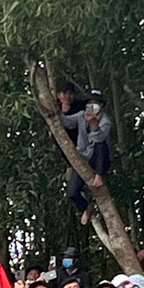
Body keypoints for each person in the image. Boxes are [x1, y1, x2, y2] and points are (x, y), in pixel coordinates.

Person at [59, 90, 112, 225]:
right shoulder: (82, 116)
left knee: (101, 145)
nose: (92, 106)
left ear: (101, 106)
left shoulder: (105, 121)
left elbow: (98, 139)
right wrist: (58, 110)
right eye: (89, 103)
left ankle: (99, 175)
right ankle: (86, 207)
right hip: (83, 157)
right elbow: (67, 122)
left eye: (95, 104)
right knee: (71, 193)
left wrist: (94, 125)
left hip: (98, 159)